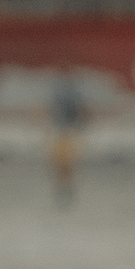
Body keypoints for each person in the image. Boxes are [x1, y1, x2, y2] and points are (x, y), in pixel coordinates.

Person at [48, 69, 85, 208]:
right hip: (66, 131)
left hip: (64, 131)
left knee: (63, 165)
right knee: (65, 165)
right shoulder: (71, 93)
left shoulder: (60, 93)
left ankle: (64, 190)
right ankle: (65, 190)